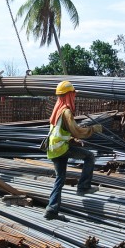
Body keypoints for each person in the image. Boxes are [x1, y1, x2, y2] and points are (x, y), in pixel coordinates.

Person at [44, 80, 103, 220]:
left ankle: (51, 210)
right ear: (69, 94)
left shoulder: (57, 110)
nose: (74, 96)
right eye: (73, 94)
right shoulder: (66, 111)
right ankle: (83, 187)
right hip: (61, 149)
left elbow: (60, 131)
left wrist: (72, 141)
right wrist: (93, 129)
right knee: (89, 156)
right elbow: (76, 130)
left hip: (53, 148)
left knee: (60, 179)